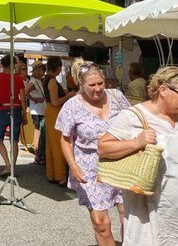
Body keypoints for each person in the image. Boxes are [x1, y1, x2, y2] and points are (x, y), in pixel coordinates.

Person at [99, 66, 178, 246]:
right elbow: (103, 148)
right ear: (163, 90)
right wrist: (136, 142)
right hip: (150, 215)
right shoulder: (133, 117)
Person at [57, 61, 132, 246]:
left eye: (100, 83)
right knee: (101, 223)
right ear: (81, 85)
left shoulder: (117, 97)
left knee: (129, 217)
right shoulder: (72, 106)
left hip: (121, 162)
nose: (98, 89)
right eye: (92, 85)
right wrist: (73, 165)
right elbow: (65, 139)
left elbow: (133, 121)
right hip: (89, 167)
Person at [0, 54, 26, 178]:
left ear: (2, 65)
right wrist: (24, 114)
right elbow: (23, 98)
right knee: (14, 140)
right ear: (13, 65)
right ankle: (13, 167)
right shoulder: (18, 79)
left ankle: (8, 165)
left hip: (1, 108)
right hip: (15, 108)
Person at [44, 57, 76, 185]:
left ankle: (52, 174)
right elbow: (55, 101)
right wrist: (69, 96)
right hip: (54, 112)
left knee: (51, 144)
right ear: (57, 67)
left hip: (50, 112)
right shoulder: (52, 81)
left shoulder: (46, 79)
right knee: (58, 144)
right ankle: (60, 175)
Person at [26, 62, 48, 164]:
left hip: (40, 109)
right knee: (38, 131)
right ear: (38, 70)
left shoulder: (38, 80)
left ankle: (39, 153)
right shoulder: (34, 81)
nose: (44, 71)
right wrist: (34, 99)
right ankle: (37, 154)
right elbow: (25, 92)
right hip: (37, 110)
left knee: (40, 131)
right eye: (43, 69)